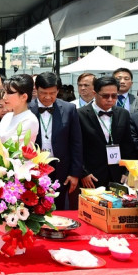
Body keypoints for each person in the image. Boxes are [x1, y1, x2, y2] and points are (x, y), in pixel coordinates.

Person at [29, 72, 83, 210]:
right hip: (35, 168)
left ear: (58, 90)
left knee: (59, 206)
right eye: (43, 93)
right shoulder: (27, 109)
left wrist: (75, 173)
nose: (48, 97)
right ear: (36, 89)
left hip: (61, 168)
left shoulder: (69, 109)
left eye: (52, 93)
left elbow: (76, 142)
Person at [79, 76, 134, 188]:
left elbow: (127, 145)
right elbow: (76, 147)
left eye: (114, 96)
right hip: (91, 176)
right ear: (95, 93)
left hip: (117, 175)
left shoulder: (123, 114)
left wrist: (126, 171)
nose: (110, 99)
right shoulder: (80, 114)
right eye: (105, 96)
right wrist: (83, 173)